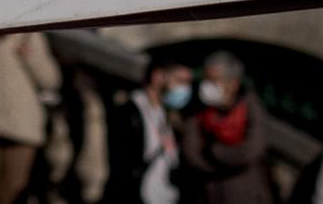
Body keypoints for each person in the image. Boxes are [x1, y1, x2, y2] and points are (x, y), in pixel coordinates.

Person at [0, 32, 60, 204]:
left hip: (21, 126)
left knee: (14, 191)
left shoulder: (30, 36)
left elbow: (51, 80)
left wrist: (31, 56)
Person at [180, 52, 275, 204]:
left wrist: (214, 152)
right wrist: (222, 165)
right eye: (206, 80)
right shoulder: (198, 111)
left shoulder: (251, 107)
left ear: (233, 83)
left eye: (214, 80)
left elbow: (251, 151)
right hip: (208, 193)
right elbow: (191, 154)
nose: (207, 86)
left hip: (247, 194)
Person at [112, 59, 191, 204]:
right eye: (179, 80)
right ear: (157, 76)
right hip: (139, 194)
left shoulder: (170, 114)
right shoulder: (130, 112)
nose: (184, 87)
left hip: (167, 195)